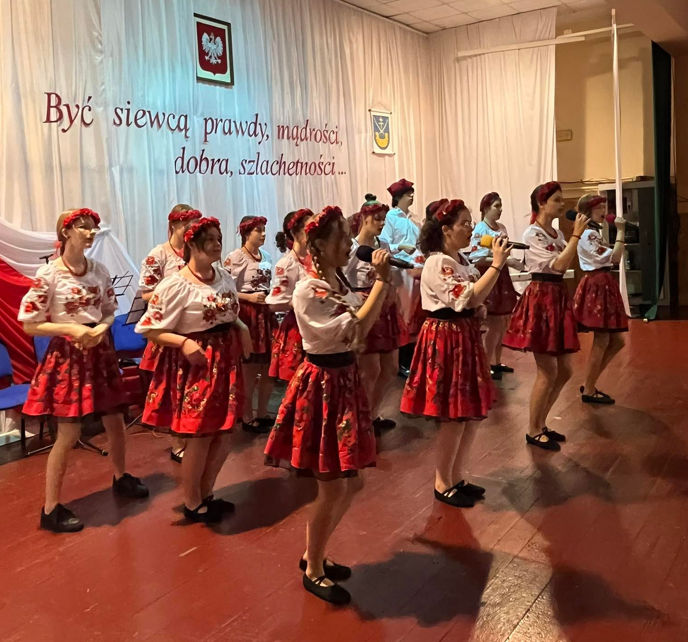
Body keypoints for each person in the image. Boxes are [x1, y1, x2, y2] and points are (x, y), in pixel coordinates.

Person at [264, 206, 392, 605]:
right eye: (342, 237)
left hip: (343, 380)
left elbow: (358, 329)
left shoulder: (335, 279)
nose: (350, 244)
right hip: (324, 384)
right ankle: (313, 568)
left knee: (350, 482)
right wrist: (382, 282)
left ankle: (313, 554)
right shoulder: (309, 288)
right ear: (318, 245)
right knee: (333, 485)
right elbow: (356, 327)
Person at [19, 208, 149, 533]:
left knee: (115, 420)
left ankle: (120, 476)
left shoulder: (99, 270)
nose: (90, 233)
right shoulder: (49, 274)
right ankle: (50, 508)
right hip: (69, 355)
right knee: (68, 433)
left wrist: (100, 329)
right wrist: (71, 329)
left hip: (99, 350)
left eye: (93, 228)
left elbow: (109, 311)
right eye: (83, 227)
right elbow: (29, 324)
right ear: (66, 232)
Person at [136, 217, 252, 523]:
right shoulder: (176, 284)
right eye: (209, 239)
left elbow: (230, 314)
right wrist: (184, 342)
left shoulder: (223, 276)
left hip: (225, 361)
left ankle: (206, 492)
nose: (217, 244)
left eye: (218, 238)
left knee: (224, 434)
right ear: (192, 244)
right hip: (198, 365)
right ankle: (192, 501)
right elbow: (148, 328)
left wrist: (242, 328)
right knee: (200, 437)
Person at [400, 199, 510, 508]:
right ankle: (442, 481)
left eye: (470, 222)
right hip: (446, 338)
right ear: (446, 229)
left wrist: (480, 305)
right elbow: (466, 297)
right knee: (453, 416)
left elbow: (474, 298)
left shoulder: (460, 259)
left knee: (468, 414)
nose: (470, 228)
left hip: (463, 336)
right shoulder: (437, 262)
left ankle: (456, 476)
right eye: (464, 223)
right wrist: (497, 265)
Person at [503, 182, 589, 451]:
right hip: (542, 298)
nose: (562, 205)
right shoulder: (532, 234)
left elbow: (563, 264)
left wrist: (572, 239)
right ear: (541, 203)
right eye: (556, 200)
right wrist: (576, 236)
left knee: (565, 370)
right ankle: (532, 428)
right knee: (547, 370)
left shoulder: (556, 233)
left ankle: (540, 423)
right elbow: (559, 265)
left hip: (557, 296)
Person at [139, 204, 202, 463]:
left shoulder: (195, 250)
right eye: (187, 224)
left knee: (194, 388)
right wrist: (176, 293)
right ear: (174, 225)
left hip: (193, 328)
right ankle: (178, 443)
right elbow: (145, 294)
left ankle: (195, 438)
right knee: (175, 389)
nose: (191, 229)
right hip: (170, 329)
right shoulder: (158, 254)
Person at [345, 202, 403, 432]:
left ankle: (372, 412)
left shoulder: (383, 244)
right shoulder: (353, 248)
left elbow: (392, 274)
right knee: (370, 370)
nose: (381, 223)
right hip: (365, 306)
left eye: (383, 219)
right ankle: (360, 418)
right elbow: (342, 278)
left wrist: (393, 292)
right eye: (377, 219)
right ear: (364, 218)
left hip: (384, 306)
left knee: (391, 368)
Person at [572, 194, 628, 404]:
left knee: (616, 341)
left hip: (602, 283)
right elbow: (615, 257)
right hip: (597, 284)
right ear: (589, 211)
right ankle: (589, 387)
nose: (604, 211)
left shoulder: (593, 232)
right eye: (600, 208)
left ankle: (590, 382)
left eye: (605, 207)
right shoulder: (588, 234)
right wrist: (621, 231)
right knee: (603, 339)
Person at [224, 216, 277, 434]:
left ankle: (262, 412)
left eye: (264, 230)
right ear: (247, 233)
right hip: (248, 314)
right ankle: (246, 415)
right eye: (258, 230)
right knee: (249, 368)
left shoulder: (266, 256)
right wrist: (249, 298)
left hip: (265, 313)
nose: (263, 234)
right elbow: (227, 289)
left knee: (268, 367)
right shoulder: (235, 258)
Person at [469, 192, 522, 381]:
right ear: (485, 208)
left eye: (500, 206)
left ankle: (497, 361)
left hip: (501, 275)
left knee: (503, 321)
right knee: (494, 323)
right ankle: (486, 364)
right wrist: (503, 260)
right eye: (496, 206)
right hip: (489, 274)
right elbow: (476, 257)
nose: (500, 210)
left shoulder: (502, 228)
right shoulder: (480, 230)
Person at [266, 208, 314, 382]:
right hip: (298, 326)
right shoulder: (287, 264)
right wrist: (297, 302)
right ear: (295, 233)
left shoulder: (315, 258)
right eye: (308, 228)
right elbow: (274, 304)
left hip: (317, 323)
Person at [381, 179, 420, 376]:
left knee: (414, 312)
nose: (411, 196)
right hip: (400, 270)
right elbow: (384, 243)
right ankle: (402, 360)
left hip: (415, 268)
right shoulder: (391, 217)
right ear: (398, 197)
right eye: (407, 194)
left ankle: (412, 358)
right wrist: (400, 247)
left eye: (412, 193)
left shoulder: (413, 218)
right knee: (403, 312)